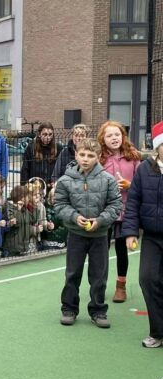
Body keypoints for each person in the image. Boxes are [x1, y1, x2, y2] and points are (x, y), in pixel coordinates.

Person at [54, 138, 122, 329]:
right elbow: (60, 205)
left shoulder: (108, 180)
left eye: (90, 155)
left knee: (99, 276)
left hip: (99, 236)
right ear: (76, 155)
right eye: (82, 154)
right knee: (72, 273)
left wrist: (99, 221)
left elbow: (115, 205)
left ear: (98, 157)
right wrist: (75, 217)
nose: (85, 159)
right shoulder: (65, 180)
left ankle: (98, 310)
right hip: (76, 235)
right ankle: (69, 308)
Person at [121, 120, 163, 348]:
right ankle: (158, 332)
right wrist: (130, 232)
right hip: (152, 237)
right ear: (157, 147)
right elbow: (133, 202)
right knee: (147, 279)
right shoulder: (145, 170)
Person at [97, 120, 142, 303]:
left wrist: (130, 185)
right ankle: (99, 285)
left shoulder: (134, 157)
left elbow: (142, 183)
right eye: (109, 135)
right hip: (104, 211)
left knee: (122, 249)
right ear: (103, 139)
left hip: (126, 211)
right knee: (101, 250)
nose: (114, 138)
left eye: (117, 134)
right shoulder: (99, 158)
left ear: (123, 136)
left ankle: (120, 287)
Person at [20, 122, 61, 186]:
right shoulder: (31, 148)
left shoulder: (58, 148)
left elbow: (61, 168)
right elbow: (25, 169)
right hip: (34, 186)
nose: (48, 137)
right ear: (39, 134)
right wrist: (25, 185)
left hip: (52, 185)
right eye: (45, 134)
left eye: (50, 134)